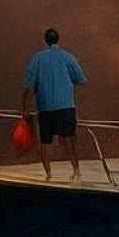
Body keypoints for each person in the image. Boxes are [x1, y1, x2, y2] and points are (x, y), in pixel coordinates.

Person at [20, 27, 88, 181]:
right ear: (58, 40)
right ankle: (76, 170)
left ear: (45, 41)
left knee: (45, 142)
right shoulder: (68, 57)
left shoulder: (38, 58)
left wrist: (24, 109)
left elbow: (29, 87)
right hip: (66, 106)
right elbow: (81, 80)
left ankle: (49, 173)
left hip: (45, 107)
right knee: (70, 139)